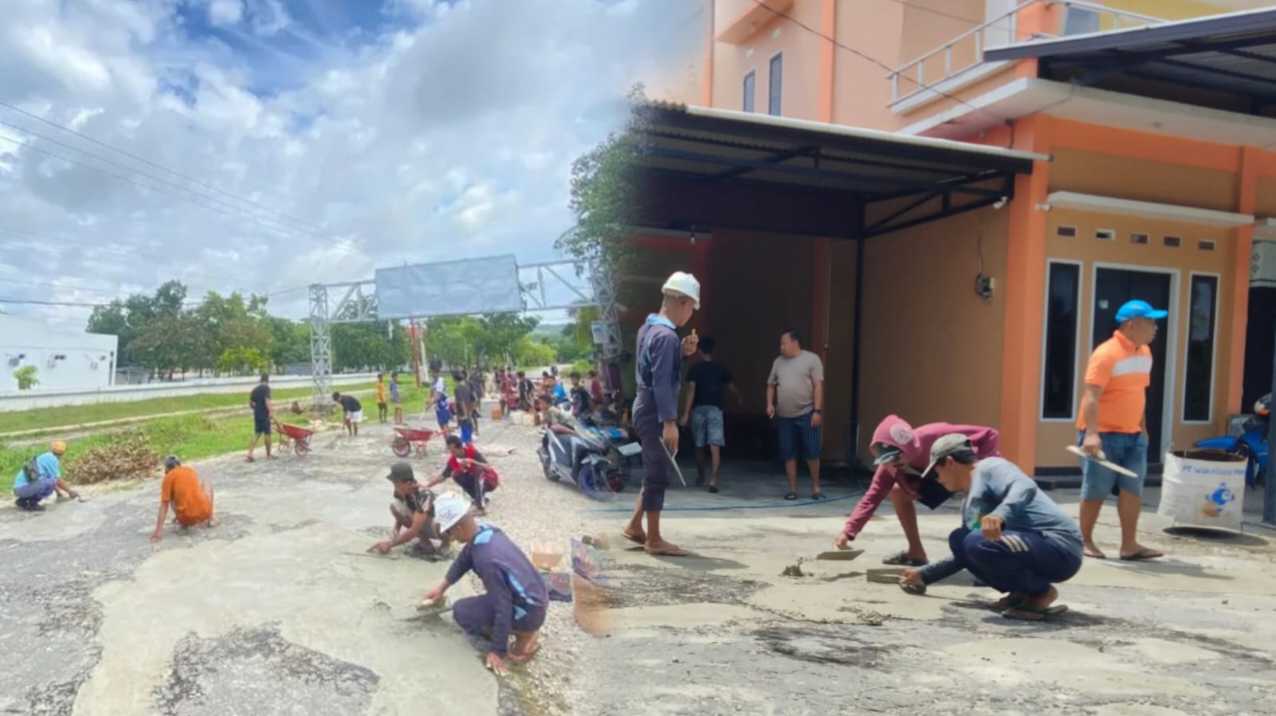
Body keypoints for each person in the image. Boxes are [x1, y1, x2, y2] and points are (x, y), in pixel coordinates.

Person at [899, 434, 1083, 620]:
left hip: (1060, 547)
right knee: (961, 539)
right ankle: (1022, 593)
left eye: (935, 472)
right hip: (1034, 547)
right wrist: (925, 575)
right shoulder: (970, 502)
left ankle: (1040, 593)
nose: (938, 479)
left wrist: (1000, 514)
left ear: (949, 462)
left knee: (974, 540)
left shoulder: (990, 467)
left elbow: (1025, 485)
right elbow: (965, 554)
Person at [834, 416, 999, 566]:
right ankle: (916, 552)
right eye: (887, 459)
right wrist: (848, 532)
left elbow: (990, 434)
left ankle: (987, 557)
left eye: (895, 457)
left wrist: (980, 473)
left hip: (964, 474)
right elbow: (872, 496)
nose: (893, 463)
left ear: (907, 446)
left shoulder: (934, 434)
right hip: (939, 476)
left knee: (975, 511)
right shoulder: (890, 465)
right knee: (897, 491)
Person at [1077, 299, 1167, 561]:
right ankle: (1084, 541)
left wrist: (1143, 428)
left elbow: (1138, 393)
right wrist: (1091, 434)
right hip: (1103, 436)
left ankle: (1129, 545)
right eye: (1150, 322)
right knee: (1096, 490)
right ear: (1131, 324)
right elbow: (1091, 396)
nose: (1155, 328)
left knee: (1132, 489)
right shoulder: (1106, 354)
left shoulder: (1145, 353)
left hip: (1134, 435)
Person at [423, 493, 548, 675]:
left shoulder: (487, 559)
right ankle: (523, 629)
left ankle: (525, 636)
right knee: (481, 602)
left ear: (458, 527)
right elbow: (464, 559)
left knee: (462, 612)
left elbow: (502, 606)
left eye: (449, 532)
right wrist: (442, 587)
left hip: (528, 610)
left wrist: (498, 651)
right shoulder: (486, 531)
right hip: (534, 597)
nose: (451, 537)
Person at [623, 271, 701, 557]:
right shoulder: (666, 336)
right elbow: (661, 383)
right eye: (691, 308)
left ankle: (635, 525)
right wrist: (670, 422)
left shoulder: (648, 329)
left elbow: (653, 366)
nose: (690, 315)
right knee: (658, 474)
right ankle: (654, 539)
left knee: (655, 469)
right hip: (655, 410)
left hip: (644, 405)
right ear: (682, 302)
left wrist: (681, 353)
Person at [766, 330, 826, 500]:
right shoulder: (778, 362)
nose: (781, 347)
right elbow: (770, 385)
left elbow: (818, 386)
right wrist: (769, 404)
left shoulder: (812, 359)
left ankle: (816, 487)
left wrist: (817, 411)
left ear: (795, 343)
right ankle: (792, 489)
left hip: (807, 413)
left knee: (812, 452)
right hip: (785, 416)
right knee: (788, 453)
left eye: (783, 343)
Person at [679, 337, 741, 493]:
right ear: (713, 351)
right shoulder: (720, 368)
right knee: (715, 445)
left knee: (699, 445)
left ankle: (701, 476)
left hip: (698, 410)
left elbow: (691, 391)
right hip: (715, 410)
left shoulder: (695, 368)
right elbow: (731, 386)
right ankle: (714, 480)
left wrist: (686, 414)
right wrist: (739, 397)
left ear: (699, 351)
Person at [371, 462, 449, 559]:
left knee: (440, 525)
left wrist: (390, 544)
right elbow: (400, 514)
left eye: (396, 484)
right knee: (394, 507)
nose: (395, 487)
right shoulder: (401, 491)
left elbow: (413, 530)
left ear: (407, 483)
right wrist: (394, 533)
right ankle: (425, 541)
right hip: (422, 522)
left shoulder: (424, 495)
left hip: (437, 527)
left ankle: (446, 544)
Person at [150, 456, 215, 542]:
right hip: (205, 513)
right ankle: (211, 518)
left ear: (167, 468)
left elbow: (164, 506)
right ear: (179, 464)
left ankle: (183, 521)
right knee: (206, 484)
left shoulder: (168, 477)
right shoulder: (190, 470)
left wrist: (157, 532)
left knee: (170, 495)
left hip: (185, 519)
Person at [426, 435, 499, 511]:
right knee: (456, 475)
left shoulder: (471, 451)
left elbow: (488, 467)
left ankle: (480, 506)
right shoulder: (453, 460)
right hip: (475, 483)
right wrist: (427, 486)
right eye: (450, 451)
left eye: (453, 451)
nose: (452, 453)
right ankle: (478, 498)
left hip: (489, 481)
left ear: (460, 447)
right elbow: (443, 476)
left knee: (478, 470)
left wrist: (473, 461)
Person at [12, 440, 79, 511]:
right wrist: (70, 491)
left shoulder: (44, 456)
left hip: (18, 489)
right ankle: (33, 504)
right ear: (63, 453)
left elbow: (49, 478)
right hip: (25, 489)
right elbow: (57, 480)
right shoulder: (53, 459)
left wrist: (59, 494)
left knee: (49, 481)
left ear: (51, 449)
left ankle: (22, 501)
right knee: (51, 481)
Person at [246, 373, 272, 462]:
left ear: (260, 380)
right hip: (265, 415)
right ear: (267, 380)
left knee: (257, 433)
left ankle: (249, 454)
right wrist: (270, 411)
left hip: (257, 415)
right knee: (267, 434)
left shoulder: (255, 389)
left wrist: (256, 408)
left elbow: (251, 403)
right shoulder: (266, 388)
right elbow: (267, 401)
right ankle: (268, 455)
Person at [454, 371, 476, 445]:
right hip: (468, 412)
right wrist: (470, 411)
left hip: (463, 413)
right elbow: (473, 400)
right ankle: (468, 447)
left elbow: (461, 401)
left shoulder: (458, 388)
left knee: (465, 433)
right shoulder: (467, 387)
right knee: (468, 433)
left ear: (455, 379)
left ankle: (467, 448)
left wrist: (465, 414)